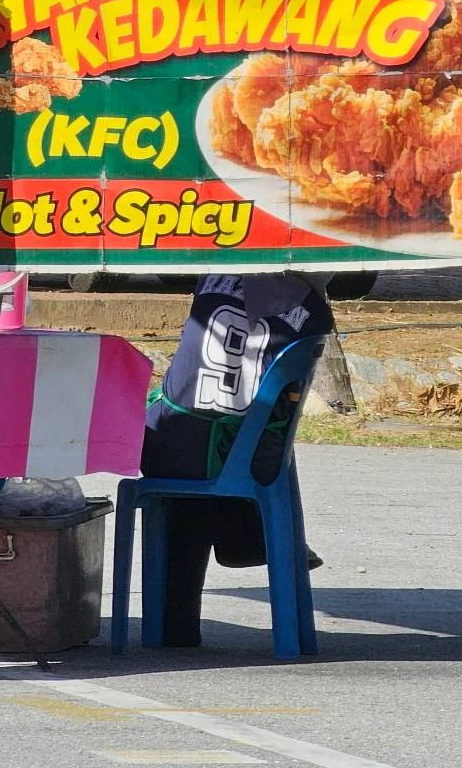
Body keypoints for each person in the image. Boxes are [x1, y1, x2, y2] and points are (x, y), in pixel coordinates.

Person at [141, 269, 366, 647]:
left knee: (183, 465)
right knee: (212, 458)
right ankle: (244, 533)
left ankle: (176, 623)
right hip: (256, 453)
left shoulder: (212, 286)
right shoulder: (312, 312)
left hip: (182, 447)